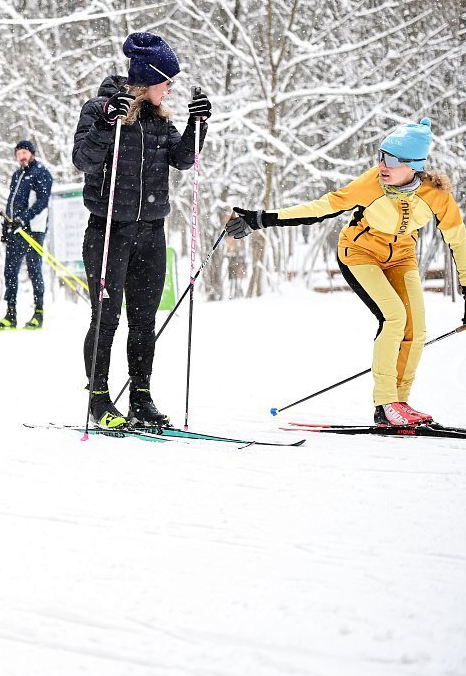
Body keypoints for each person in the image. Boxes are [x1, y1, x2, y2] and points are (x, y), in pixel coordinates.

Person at [225, 117, 466, 426]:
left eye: (392, 159)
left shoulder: (436, 196)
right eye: (381, 155)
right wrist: (262, 219)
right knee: (394, 317)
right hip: (359, 253)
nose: (383, 165)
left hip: (401, 257)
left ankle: (400, 400)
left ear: (414, 165)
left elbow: (458, 240)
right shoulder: (370, 184)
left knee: (416, 329)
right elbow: (320, 208)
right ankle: (385, 403)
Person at [72, 32, 211, 429]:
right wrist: (106, 122)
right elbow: (82, 159)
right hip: (108, 231)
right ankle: (99, 400)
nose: (170, 88)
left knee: (144, 319)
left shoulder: (158, 119)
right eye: (166, 80)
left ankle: (141, 397)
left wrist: (199, 124)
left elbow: (183, 160)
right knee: (107, 317)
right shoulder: (99, 108)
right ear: (146, 79)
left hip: (151, 232)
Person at [0, 139, 54, 329]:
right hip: (16, 231)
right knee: (10, 271)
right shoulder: (17, 175)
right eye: (18, 154)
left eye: (24, 153)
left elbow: (42, 201)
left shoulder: (40, 172)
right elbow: (13, 201)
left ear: (32, 153)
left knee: (34, 269)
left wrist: (23, 219)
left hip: (33, 229)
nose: (21, 157)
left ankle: (39, 313)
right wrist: (7, 223)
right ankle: (10, 314)